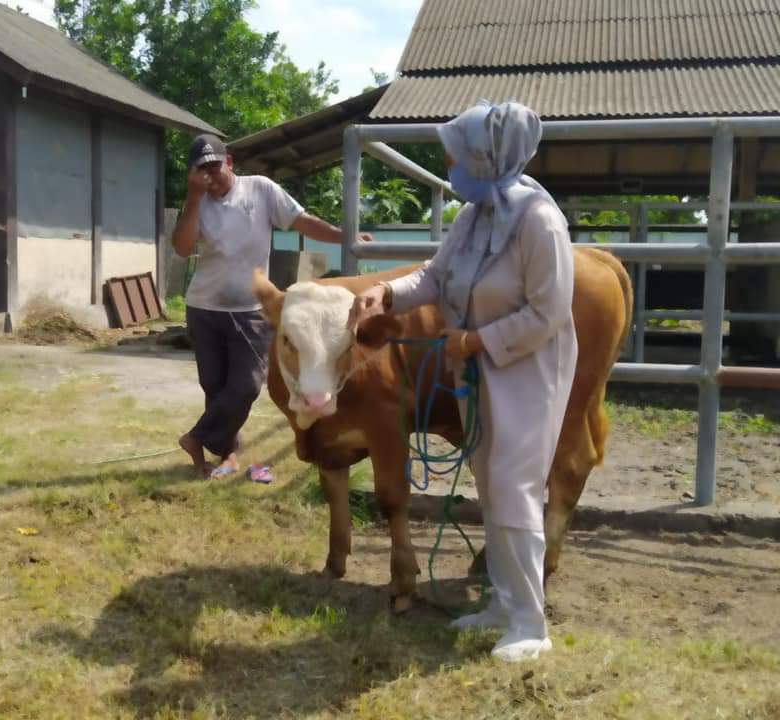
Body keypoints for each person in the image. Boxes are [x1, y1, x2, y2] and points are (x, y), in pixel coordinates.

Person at [347, 102, 578, 662]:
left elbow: (548, 312)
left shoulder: (539, 222)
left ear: (486, 156)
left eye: (456, 156)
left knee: (516, 486)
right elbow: (435, 275)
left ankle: (531, 623)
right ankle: (503, 603)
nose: (449, 166)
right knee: (491, 484)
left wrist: (475, 340)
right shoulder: (475, 214)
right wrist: (387, 293)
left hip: (526, 372)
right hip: (477, 369)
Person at [173, 134, 372, 478]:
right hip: (204, 307)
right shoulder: (197, 202)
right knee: (216, 388)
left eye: (215, 167)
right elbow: (181, 247)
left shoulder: (260, 189)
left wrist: (345, 236)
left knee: (247, 385)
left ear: (229, 162)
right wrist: (193, 198)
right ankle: (226, 455)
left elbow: (302, 221)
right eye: (201, 170)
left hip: (251, 309)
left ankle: (195, 438)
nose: (210, 176)